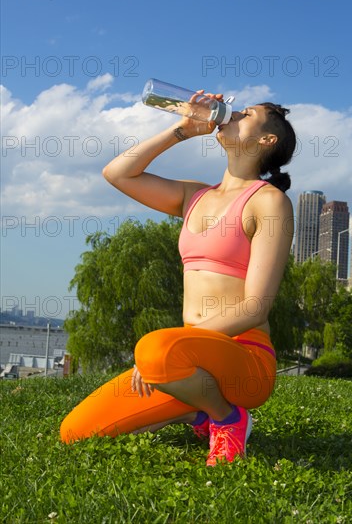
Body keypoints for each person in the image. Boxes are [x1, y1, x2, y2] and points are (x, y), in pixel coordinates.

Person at [60, 90, 296, 467]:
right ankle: (197, 412)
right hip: (185, 360)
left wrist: (175, 344)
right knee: (75, 431)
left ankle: (228, 418)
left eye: (246, 114)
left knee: (154, 350)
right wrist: (183, 129)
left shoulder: (269, 202)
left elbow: (256, 307)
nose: (232, 114)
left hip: (244, 359)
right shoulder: (194, 196)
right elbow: (118, 173)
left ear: (267, 140)